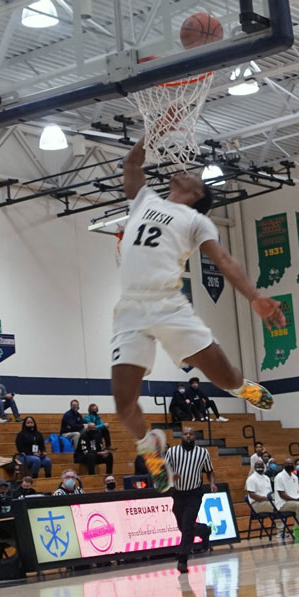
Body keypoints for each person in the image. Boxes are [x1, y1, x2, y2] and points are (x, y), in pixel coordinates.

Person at [111, 136, 285, 492]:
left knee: (223, 378)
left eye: (194, 176)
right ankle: (151, 448)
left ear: (197, 195)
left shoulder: (196, 220)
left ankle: (242, 388)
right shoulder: (146, 199)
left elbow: (224, 261)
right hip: (130, 308)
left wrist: (254, 296)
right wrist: (154, 131)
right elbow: (131, 165)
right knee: (123, 402)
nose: (185, 171)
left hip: (168, 304)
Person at [164, 427, 217, 573]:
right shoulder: (172, 452)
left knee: (187, 526)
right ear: (181, 436)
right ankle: (204, 530)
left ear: (195, 437)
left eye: (191, 434)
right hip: (178, 493)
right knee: (182, 526)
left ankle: (182, 560)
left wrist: (212, 483)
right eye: (185, 434)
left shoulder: (203, 453)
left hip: (194, 493)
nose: (188, 436)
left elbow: (210, 470)